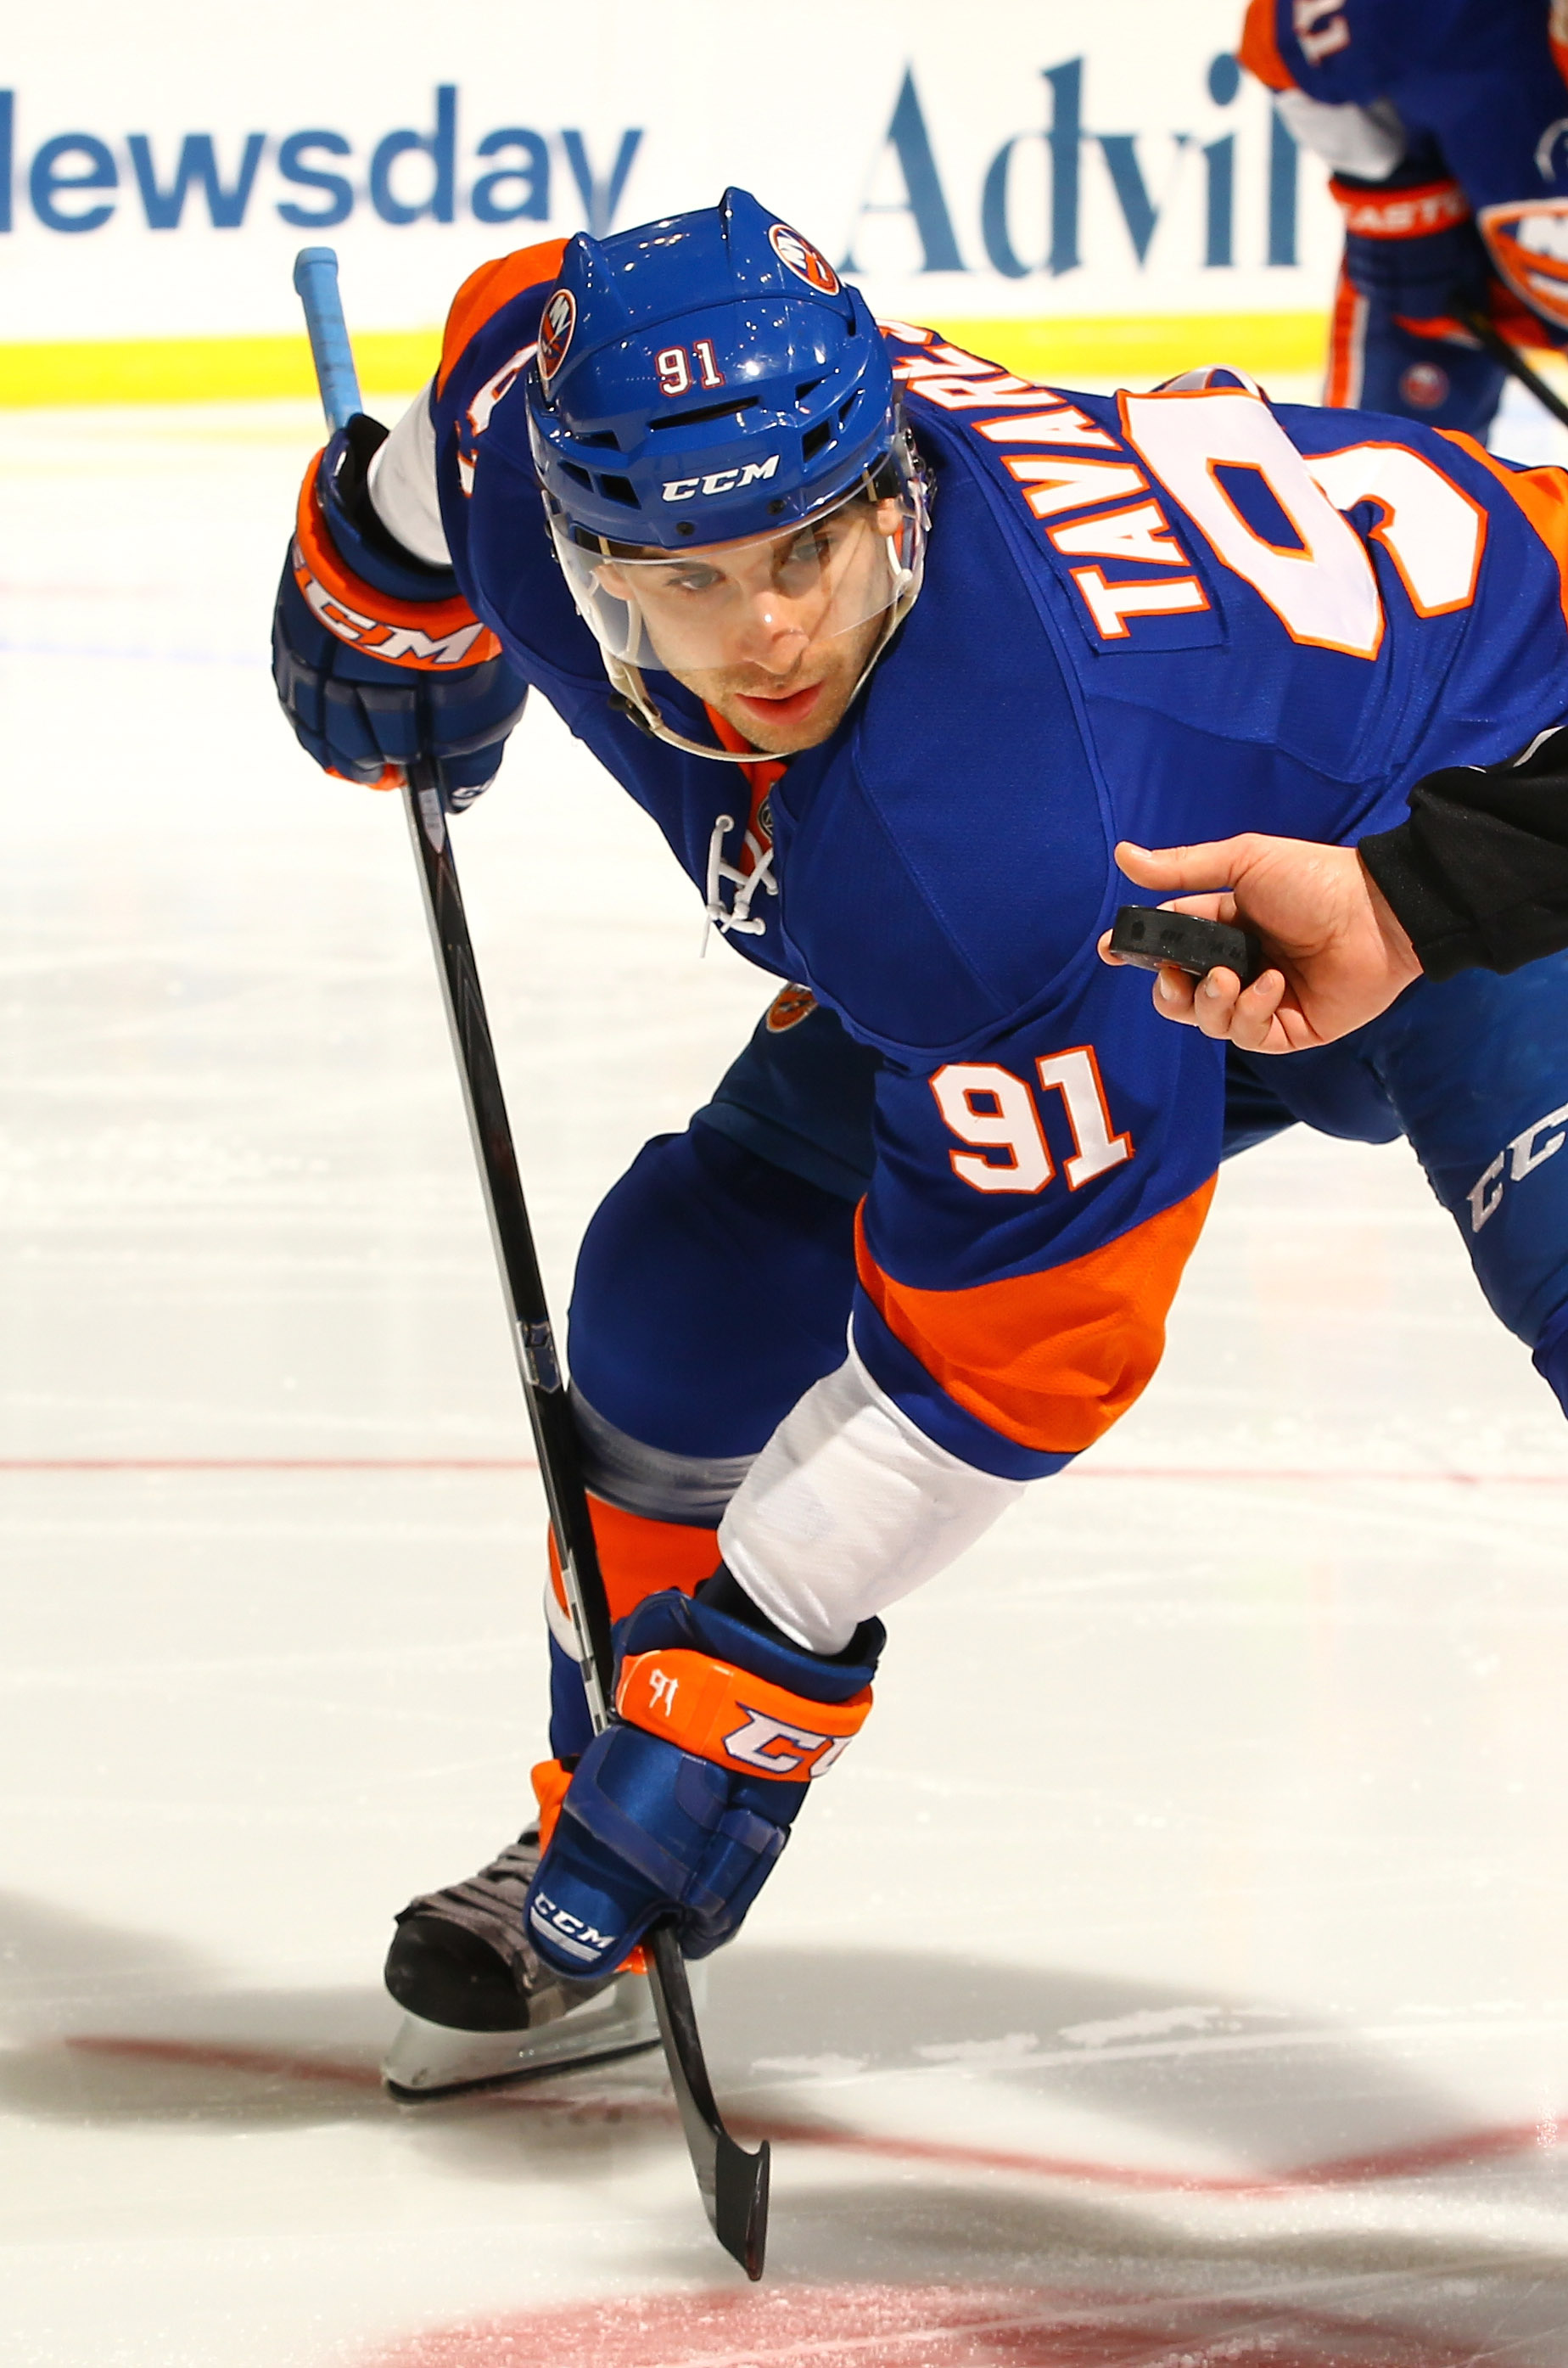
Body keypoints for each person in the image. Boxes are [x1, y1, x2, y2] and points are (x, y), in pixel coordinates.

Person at [273, 189, 1568, 2090]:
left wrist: (753, 1672)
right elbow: (468, 386)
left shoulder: (971, 837)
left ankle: (652, 1774)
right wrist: (376, 567)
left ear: (894, 491)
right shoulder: (525, 434)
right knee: (691, 1295)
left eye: (808, 546)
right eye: (682, 578)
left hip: (1502, 783)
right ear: (570, 540)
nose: (766, 631)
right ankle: (588, 1828)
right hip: (1175, 848)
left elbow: (1024, 1351)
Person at [1238, 0, 1568, 436]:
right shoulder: (1419, 14)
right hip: (1461, 272)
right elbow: (1278, 45)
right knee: (1366, 464)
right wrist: (1392, 189)